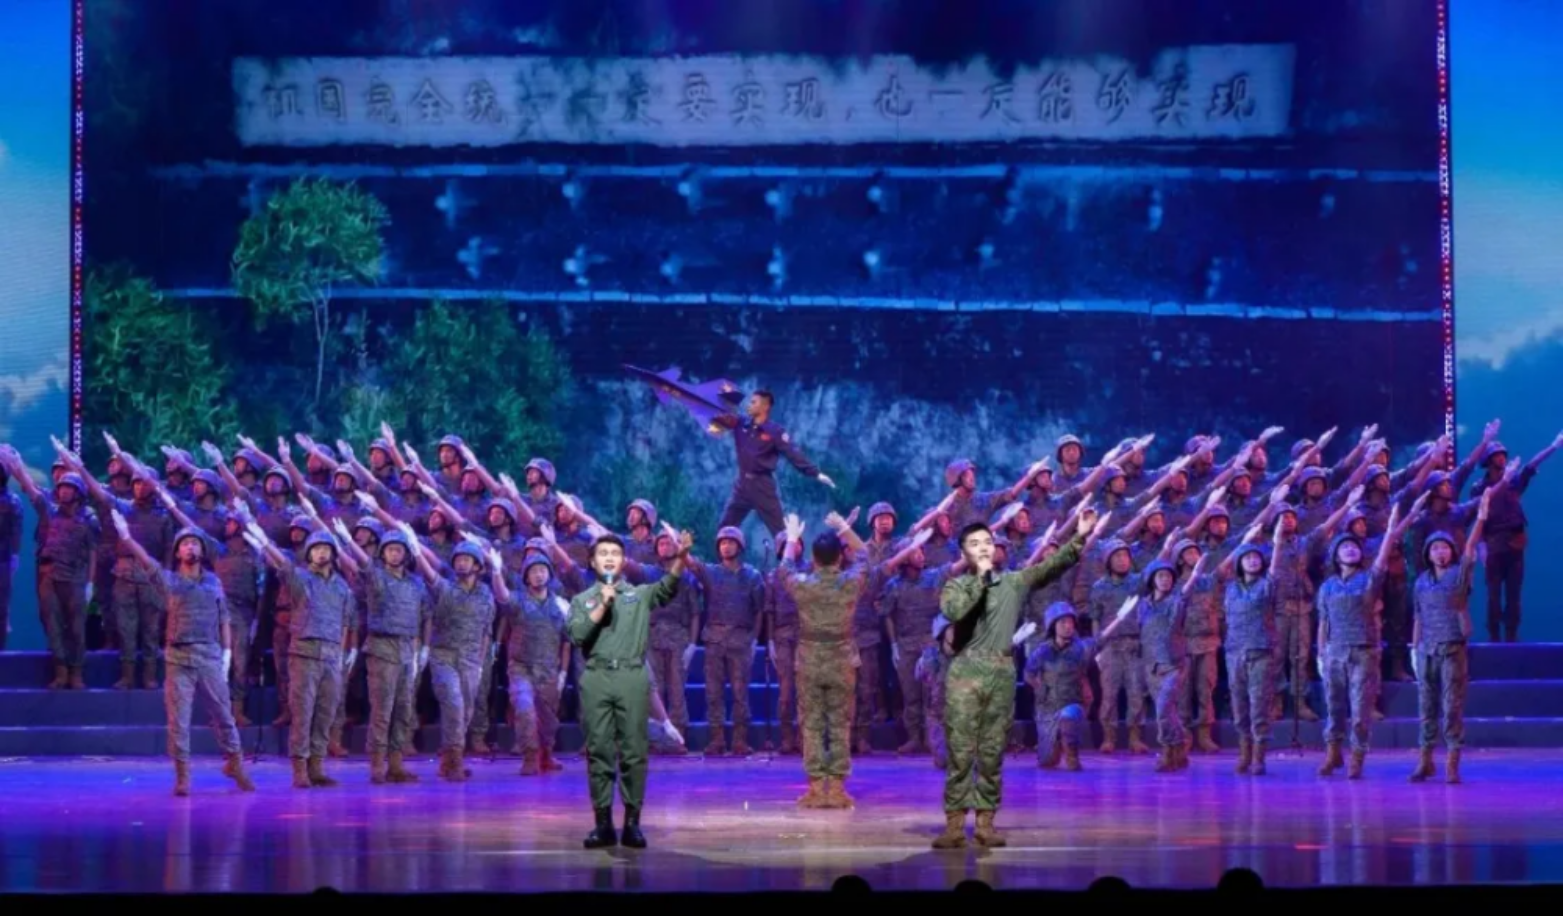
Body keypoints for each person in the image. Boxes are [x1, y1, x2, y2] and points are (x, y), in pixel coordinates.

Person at [932, 501, 1102, 850]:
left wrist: (1080, 537)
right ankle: (954, 824)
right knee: (961, 751)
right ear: (965, 553)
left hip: (1000, 670)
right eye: (975, 544)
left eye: (988, 543)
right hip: (966, 670)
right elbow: (955, 610)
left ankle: (985, 822)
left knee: (992, 751)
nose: (984, 549)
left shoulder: (1013, 581)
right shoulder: (955, 587)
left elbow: (1051, 566)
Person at [568, 523, 694, 850]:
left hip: (631, 676)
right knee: (599, 751)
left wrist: (681, 558)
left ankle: (632, 824)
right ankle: (602, 824)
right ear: (592, 562)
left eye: (615, 553)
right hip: (597, 676)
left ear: (624, 561)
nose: (609, 558)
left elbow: (667, 587)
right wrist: (602, 604)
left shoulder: (639, 595)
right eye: (603, 554)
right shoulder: (582, 600)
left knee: (634, 752)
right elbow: (578, 634)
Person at [114, 513, 254, 796]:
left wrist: (227, 653)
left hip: (210, 656)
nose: (191, 547)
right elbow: (148, 563)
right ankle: (183, 776)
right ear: (178, 552)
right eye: (185, 544)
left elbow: (224, 618)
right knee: (179, 720)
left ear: (202, 550)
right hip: (179, 658)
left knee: (224, 714)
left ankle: (235, 763)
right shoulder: (170, 581)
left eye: (195, 543)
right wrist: (127, 537)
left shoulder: (214, 582)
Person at [1316, 497, 1423, 778]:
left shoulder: (1369, 579)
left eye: (1354, 547)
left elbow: (1386, 551)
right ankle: (1333, 753)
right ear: (1336, 556)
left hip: (1363, 652)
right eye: (1345, 547)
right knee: (1334, 706)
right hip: (1334, 653)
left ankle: (1357, 757)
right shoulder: (1327, 586)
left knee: (1360, 708)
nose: (1350, 550)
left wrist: (1393, 526)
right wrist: (1321, 653)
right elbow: (1323, 622)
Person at [776, 512, 869, 808]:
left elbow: (784, 568)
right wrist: (844, 528)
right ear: (840, 558)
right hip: (842, 660)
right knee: (840, 723)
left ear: (814, 559)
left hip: (810, 660)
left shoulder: (804, 584)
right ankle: (838, 789)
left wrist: (792, 539)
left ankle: (816, 788)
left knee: (812, 724)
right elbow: (865, 555)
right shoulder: (850, 582)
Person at [1410, 488, 1492, 784]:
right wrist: (1414, 648)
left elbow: (1469, 549)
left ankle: (1452, 762)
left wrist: (1480, 519)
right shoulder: (1421, 581)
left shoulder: (1459, 574)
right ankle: (1425, 760)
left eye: (1445, 548)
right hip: (1426, 650)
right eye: (1435, 548)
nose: (1440, 552)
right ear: (1428, 554)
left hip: (1452, 648)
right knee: (1426, 706)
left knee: (1451, 706)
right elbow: (1418, 616)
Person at [708, 389, 835, 537]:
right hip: (742, 485)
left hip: (762, 486)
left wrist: (816, 473)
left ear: (765, 406)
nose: (749, 405)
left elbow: (793, 454)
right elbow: (719, 417)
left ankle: (790, 551)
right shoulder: (741, 423)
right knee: (724, 529)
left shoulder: (775, 432)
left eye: (754, 402)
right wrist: (717, 403)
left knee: (781, 533)